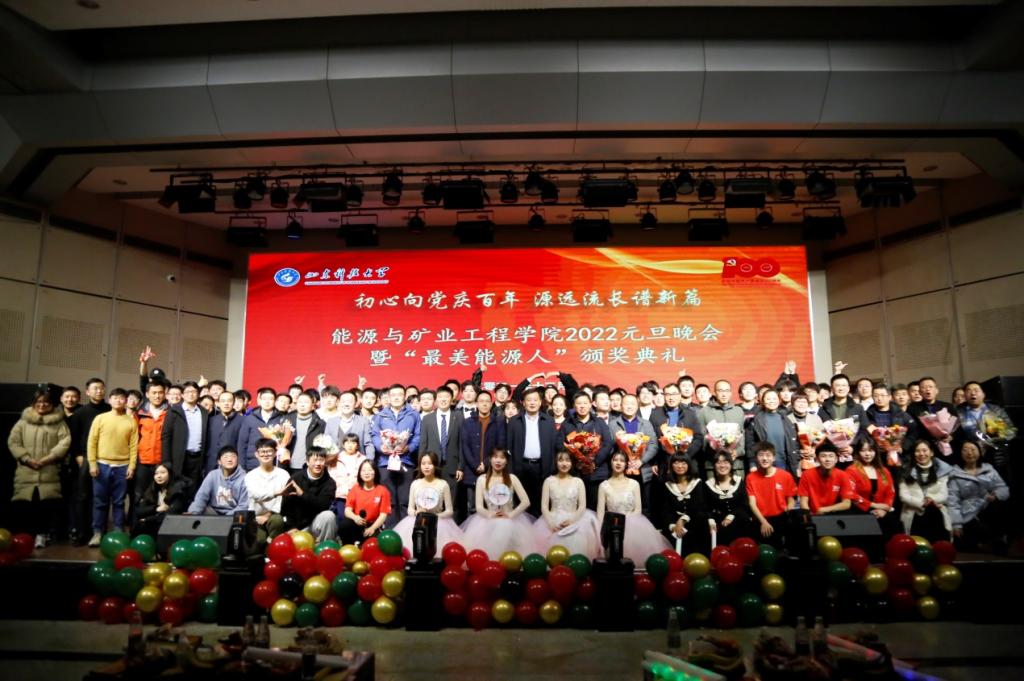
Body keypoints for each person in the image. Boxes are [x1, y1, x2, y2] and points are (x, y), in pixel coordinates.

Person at [7, 391, 71, 548]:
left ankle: (42, 535)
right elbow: (13, 442)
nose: (42, 405)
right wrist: (27, 459)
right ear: (33, 403)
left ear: (51, 405)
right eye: (39, 402)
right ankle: (25, 537)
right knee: (25, 506)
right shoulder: (23, 422)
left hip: (48, 471)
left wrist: (48, 459)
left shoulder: (59, 422)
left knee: (46, 506)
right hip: (26, 471)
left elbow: (65, 441)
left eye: (46, 402)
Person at [597, 451, 671, 565]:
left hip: (632, 526)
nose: (618, 463)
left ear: (626, 464)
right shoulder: (604, 486)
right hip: (611, 527)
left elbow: (638, 509)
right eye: (615, 460)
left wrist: (628, 523)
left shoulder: (634, 484)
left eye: (622, 461)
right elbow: (600, 512)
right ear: (610, 462)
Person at [86, 388, 138, 546]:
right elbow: (92, 442)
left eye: (122, 398)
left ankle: (118, 533)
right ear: (109, 400)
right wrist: (92, 463)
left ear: (126, 401)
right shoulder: (100, 418)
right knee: (100, 502)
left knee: (119, 502)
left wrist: (132, 466)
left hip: (122, 466)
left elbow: (134, 446)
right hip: (101, 465)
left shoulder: (131, 421)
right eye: (115, 398)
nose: (118, 401)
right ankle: (97, 533)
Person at [461, 448, 536, 558]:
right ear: (490, 459)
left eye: (502, 458)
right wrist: (490, 514)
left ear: (506, 461)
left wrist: (511, 514)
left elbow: (526, 502)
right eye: (495, 457)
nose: (498, 461)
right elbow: (479, 507)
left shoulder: (512, 478)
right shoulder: (482, 479)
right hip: (488, 520)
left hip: (510, 521)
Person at [531, 450, 601, 558]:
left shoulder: (578, 481)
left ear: (572, 463)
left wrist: (572, 520)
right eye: (561, 460)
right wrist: (550, 523)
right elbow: (544, 506)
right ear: (556, 462)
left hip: (575, 520)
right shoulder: (549, 481)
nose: (564, 464)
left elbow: (582, 506)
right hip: (552, 521)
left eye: (567, 460)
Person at [393, 452, 464, 558]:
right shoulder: (415, 484)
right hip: (418, 522)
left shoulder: (443, 484)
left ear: (435, 465)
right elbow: (410, 509)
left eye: (430, 463)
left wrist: (435, 516)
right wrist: (417, 512)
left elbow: (449, 511)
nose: (426, 466)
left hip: (438, 522)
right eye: (423, 463)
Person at [67, 378, 110, 545]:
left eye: (101, 388)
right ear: (87, 392)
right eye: (95, 388)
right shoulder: (80, 413)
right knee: (83, 496)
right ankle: (81, 532)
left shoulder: (110, 409)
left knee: (101, 497)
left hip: (105, 458)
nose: (99, 391)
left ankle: (99, 532)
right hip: (85, 458)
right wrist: (78, 456)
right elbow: (73, 438)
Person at [370, 383, 422, 524]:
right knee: (389, 501)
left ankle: (406, 532)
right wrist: (381, 447)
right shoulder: (380, 415)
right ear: (388, 397)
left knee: (406, 500)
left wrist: (408, 448)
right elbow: (374, 435)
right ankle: (390, 532)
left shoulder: (413, 415)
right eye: (393, 395)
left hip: (406, 461)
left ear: (405, 396)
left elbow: (418, 435)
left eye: (399, 394)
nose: (396, 397)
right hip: (385, 462)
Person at [948, 440, 1010, 554]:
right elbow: (953, 501)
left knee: (999, 507)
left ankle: (996, 541)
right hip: (968, 513)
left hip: (987, 508)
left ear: (979, 452)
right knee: (964, 541)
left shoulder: (989, 469)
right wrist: (956, 524)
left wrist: (996, 495)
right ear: (960, 453)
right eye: (965, 450)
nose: (969, 453)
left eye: (973, 449)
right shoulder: (955, 473)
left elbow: (1003, 488)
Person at [506, 387, 559, 517]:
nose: (532, 403)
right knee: (521, 504)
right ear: (523, 403)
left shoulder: (549, 421)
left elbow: (554, 447)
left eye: (535, 400)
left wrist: (552, 468)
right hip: (521, 467)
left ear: (540, 402)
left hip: (542, 467)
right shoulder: (514, 421)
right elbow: (508, 447)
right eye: (529, 400)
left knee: (540, 503)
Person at [419, 386, 465, 519]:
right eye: (440, 397)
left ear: (452, 399)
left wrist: (460, 466)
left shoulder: (459, 417)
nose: (443, 399)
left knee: (452, 504)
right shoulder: (428, 419)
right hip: (432, 467)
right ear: (436, 400)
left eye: (447, 397)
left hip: (452, 467)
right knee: (431, 502)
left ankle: (451, 530)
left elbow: (462, 443)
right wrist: (422, 466)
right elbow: (423, 444)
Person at [609, 392, 659, 515]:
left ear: (637, 406)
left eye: (632, 404)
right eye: (626, 403)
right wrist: (622, 460)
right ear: (621, 406)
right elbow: (609, 447)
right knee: (622, 504)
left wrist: (641, 461)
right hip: (621, 470)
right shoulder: (613, 424)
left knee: (644, 504)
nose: (629, 406)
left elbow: (653, 445)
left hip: (642, 469)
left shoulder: (646, 423)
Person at [567, 391, 615, 510]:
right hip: (576, 473)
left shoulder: (599, 422)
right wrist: (576, 459)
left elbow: (608, 443)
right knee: (576, 507)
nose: (582, 406)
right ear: (574, 406)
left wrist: (594, 462)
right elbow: (560, 445)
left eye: (585, 403)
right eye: (579, 403)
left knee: (596, 507)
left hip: (597, 473)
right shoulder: (567, 423)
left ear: (590, 404)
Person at [460, 391, 505, 515]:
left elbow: (500, 445)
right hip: (472, 471)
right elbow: (465, 446)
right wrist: (475, 465)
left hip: (492, 470)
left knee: (493, 506)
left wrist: (485, 463)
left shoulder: (498, 422)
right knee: (472, 508)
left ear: (491, 404)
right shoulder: (468, 422)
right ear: (476, 404)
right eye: (481, 401)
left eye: (487, 401)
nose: (484, 404)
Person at [162, 381, 209, 499]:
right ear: (182, 395)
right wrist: (166, 460)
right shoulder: (174, 411)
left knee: (194, 491)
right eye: (187, 392)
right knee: (177, 492)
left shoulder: (203, 412)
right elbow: (166, 436)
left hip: (197, 458)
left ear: (198, 394)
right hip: (179, 458)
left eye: (194, 392)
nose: (191, 394)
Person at [898, 440, 953, 542]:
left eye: (924, 450)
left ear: (931, 452)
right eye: (917, 451)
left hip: (935, 511)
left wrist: (931, 499)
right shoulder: (905, 470)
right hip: (913, 512)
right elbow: (903, 495)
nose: (921, 454)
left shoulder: (942, 470)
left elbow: (944, 494)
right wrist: (921, 503)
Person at [745, 442, 797, 547]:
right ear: (756, 458)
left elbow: (791, 498)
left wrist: (788, 510)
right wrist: (763, 521)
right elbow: (752, 504)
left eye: (768, 455)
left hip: (781, 517)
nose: (764, 458)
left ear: (774, 458)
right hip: (760, 518)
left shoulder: (785, 475)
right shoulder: (750, 478)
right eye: (761, 455)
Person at [282, 446, 337, 543]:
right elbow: (286, 506)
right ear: (307, 462)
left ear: (325, 462)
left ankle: (324, 547)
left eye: (321, 460)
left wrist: (302, 494)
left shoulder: (330, 482)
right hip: (296, 527)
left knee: (329, 516)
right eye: (315, 460)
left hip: (315, 526)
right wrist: (291, 527)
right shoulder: (296, 478)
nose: (318, 464)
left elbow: (323, 505)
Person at [845, 439, 899, 537]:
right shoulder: (851, 470)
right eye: (863, 450)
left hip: (882, 513)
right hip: (860, 512)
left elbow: (890, 493)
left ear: (875, 452)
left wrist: (884, 509)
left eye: (870, 450)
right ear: (858, 452)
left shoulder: (884, 471)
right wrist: (873, 505)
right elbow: (851, 494)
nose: (867, 454)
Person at [244, 438, 292, 547]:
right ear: (256, 454)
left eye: (269, 451)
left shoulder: (283, 474)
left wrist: (268, 514)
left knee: (277, 521)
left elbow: (283, 498)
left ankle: (273, 547)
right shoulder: (250, 476)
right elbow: (255, 495)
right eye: (262, 451)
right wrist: (276, 493)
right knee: (259, 541)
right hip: (255, 517)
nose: (266, 454)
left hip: (274, 516)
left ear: (275, 453)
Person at [661, 454, 708, 555]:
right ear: (671, 466)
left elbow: (699, 506)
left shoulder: (697, 483)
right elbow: (665, 510)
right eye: (676, 463)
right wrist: (673, 526)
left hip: (695, 522)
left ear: (689, 465)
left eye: (683, 463)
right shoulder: (667, 485)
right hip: (674, 524)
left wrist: (683, 520)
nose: (680, 466)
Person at [698, 380, 747, 477]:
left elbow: (742, 434)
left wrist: (738, 452)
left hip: (736, 464)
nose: (724, 394)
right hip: (713, 464)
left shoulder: (738, 411)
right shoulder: (704, 412)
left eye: (727, 391)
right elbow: (701, 437)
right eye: (720, 391)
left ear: (731, 393)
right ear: (715, 392)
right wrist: (713, 451)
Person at [134, 382, 168, 517]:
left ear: (165, 394)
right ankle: (136, 525)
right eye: (154, 393)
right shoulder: (140, 413)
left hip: (161, 462)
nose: (157, 396)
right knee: (139, 496)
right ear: (147, 394)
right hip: (143, 461)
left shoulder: (170, 413)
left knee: (160, 497)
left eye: (160, 393)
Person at [704, 450, 752, 547]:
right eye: (719, 462)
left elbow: (744, 504)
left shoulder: (739, 481)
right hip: (718, 520)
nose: (722, 466)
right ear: (714, 465)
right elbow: (706, 507)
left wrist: (731, 516)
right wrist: (711, 521)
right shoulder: (708, 484)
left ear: (731, 464)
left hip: (738, 517)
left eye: (726, 462)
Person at [747, 389, 799, 476]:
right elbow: (750, 444)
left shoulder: (785, 419)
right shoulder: (756, 420)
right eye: (768, 399)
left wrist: (796, 461)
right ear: (763, 401)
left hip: (783, 461)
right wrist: (752, 463)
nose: (771, 401)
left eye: (774, 398)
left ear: (779, 400)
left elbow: (793, 442)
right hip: (764, 462)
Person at [339, 460, 391, 545]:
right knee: (344, 525)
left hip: (374, 525)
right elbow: (347, 510)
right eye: (363, 470)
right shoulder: (355, 488)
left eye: (370, 470)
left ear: (375, 472)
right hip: (357, 523)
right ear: (359, 473)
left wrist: (373, 528)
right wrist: (355, 518)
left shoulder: (383, 491)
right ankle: (347, 547)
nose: (366, 473)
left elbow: (383, 515)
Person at [187, 446, 249, 516]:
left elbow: (243, 505)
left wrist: (224, 518)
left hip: (234, 514)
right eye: (225, 457)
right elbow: (201, 497)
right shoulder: (212, 475)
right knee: (199, 510)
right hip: (213, 512)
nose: (229, 459)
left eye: (233, 456)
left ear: (237, 460)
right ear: (219, 461)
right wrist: (193, 513)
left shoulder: (245, 478)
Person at [276, 391, 326, 473]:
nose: (302, 405)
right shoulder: (286, 420)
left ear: (313, 406)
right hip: (287, 464)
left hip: (310, 466)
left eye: (306, 402)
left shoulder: (320, 424)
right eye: (300, 402)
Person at [797, 443, 854, 515]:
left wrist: (825, 509)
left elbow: (847, 504)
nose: (827, 459)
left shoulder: (843, 475)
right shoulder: (807, 475)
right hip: (813, 515)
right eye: (823, 456)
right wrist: (808, 517)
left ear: (836, 459)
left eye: (831, 456)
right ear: (817, 459)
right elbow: (803, 502)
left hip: (834, 515)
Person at [133, 464, 186, 536]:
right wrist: (156, 508)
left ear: (170, 474)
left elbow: (170, 515)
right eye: (156, 473)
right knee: (139, 524)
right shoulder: (153, 489)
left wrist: (148, 519)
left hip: (170, 525)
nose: (159, 476)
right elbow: (139, 511)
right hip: (155, 522)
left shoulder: (177, 491)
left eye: (163, 472)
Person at [237, 387, 282, 471]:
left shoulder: (281, 418)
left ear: (275, 401)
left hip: (274, 464)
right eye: (264, 399)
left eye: (270, 399)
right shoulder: (250, 418)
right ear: (259, 401)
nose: (267, 402)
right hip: (252, 463)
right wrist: (242, 466)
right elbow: (242, 444)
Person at [324, 390, 375, 461]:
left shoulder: (364, 421)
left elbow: (368, 444)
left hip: (358, 463)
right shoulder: (331, 422)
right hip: (335, 464)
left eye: (350, 401)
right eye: (343, 401)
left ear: (356, 404)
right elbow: (325, 445)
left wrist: (369, 462)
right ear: (338, 403)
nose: (346, 404)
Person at [325, 432, 366, 521]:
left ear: (357, 445)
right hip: (340, 495)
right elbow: (331, 475)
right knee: (342, 517)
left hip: (357, 495)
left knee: (357, 518)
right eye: (347, 442)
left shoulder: (362, 459)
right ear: (343, 445)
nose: (350, 445)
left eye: (353, 443)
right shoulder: (336, 458)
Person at [204, 390, 243, 475]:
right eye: (223, 401)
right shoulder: (211, 420)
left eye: (229, 401)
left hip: (232, 464)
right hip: (211, 464)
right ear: (218, 403)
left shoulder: (242, 421)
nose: (226, 404)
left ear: (233, 403)